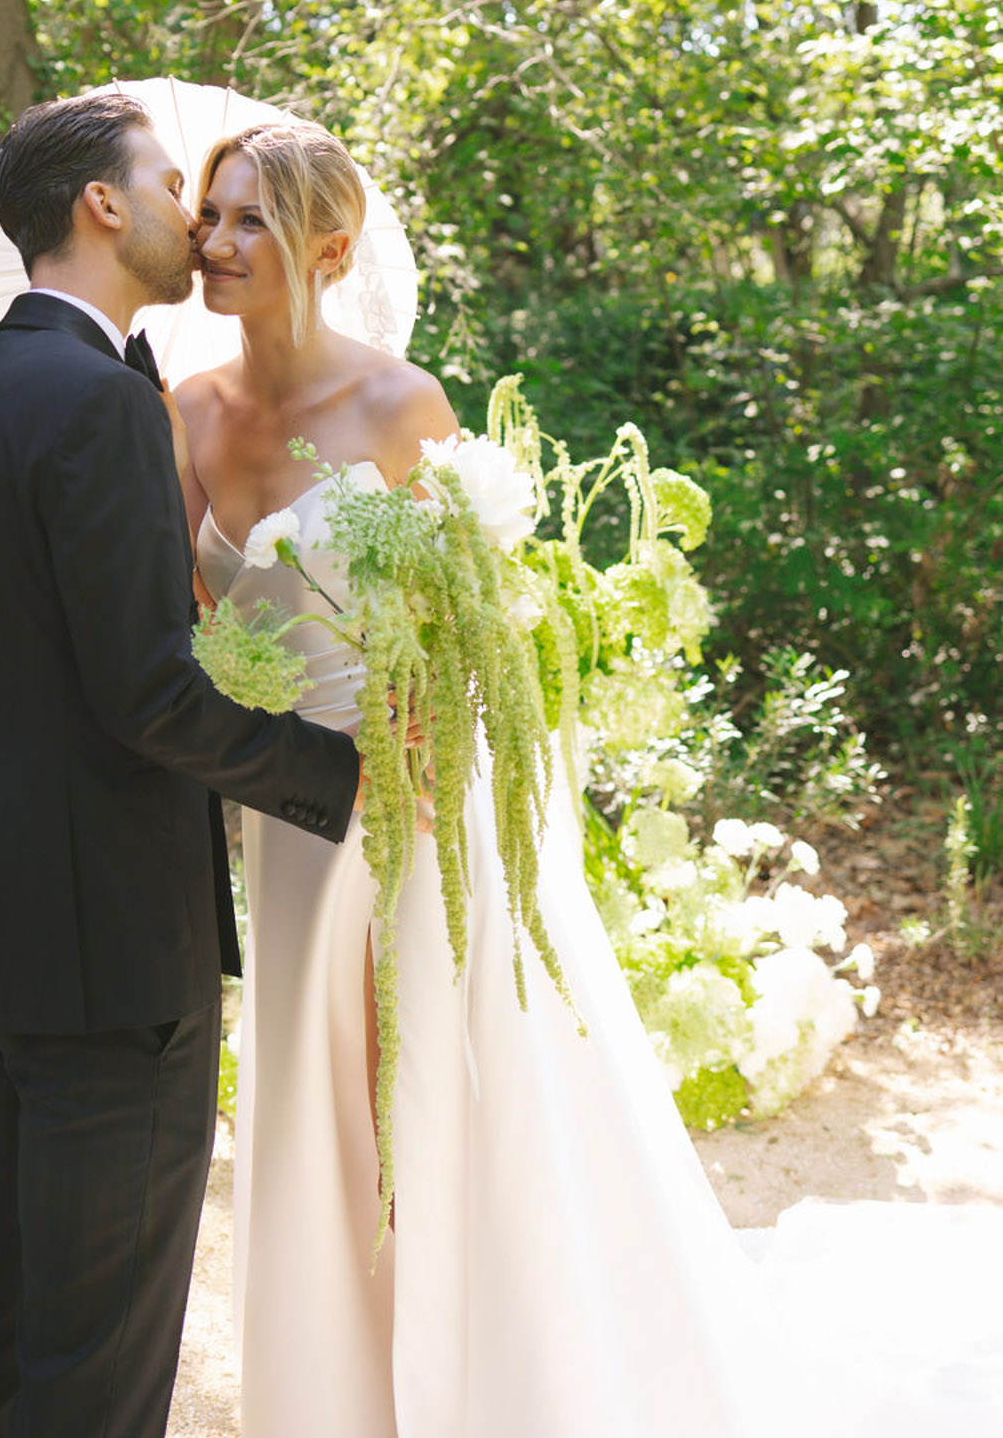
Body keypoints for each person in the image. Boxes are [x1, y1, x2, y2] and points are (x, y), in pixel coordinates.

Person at [175, 121, 1003, 1438]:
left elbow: (473, 621)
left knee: (443, 1085)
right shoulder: (183, 413)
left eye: (249, 222)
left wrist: (417, 708)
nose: (214, 244)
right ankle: (327, 1401)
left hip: (419, 799)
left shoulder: (400, 407)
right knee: (309, 1105)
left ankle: (499, 1381)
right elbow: (173, 629)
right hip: (281, 814)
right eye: (209, 215)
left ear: (329, 248)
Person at [0, 91, 360, 1438]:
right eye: (169, 184)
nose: (188, 213)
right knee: (95, 1358)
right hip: (111, 962)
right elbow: (148, 693)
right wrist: (339, 782)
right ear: (103, 205)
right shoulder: (100, 404)